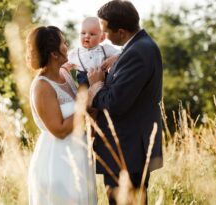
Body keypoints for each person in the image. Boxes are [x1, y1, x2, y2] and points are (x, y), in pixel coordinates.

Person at [87, 0, 164, 204]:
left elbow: (116, 103)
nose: (103, 37)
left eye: (105, 31)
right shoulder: (139, 47)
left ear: (121, 32)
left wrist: (96, 85)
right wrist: (120, 57)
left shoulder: (137, 53)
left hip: (125, 151)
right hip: (131, 148)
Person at [26, 26, 99, 205]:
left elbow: (87, 110)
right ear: (53, 53)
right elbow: (59, 130)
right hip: (57, 162)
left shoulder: (67, 74)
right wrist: (86, 102)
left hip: (80, 157)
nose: (68, 45)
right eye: (63, 43)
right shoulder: (41, 86)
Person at [67, 17, 120, 86]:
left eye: (92, 34)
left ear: (101, 37)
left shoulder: (105, 49)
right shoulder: (74, 53)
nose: (87, 36)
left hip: (103, 80)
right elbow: (66, 65)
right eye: (83, 33)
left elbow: (122, 53)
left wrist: (114, 58)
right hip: (84, 80)